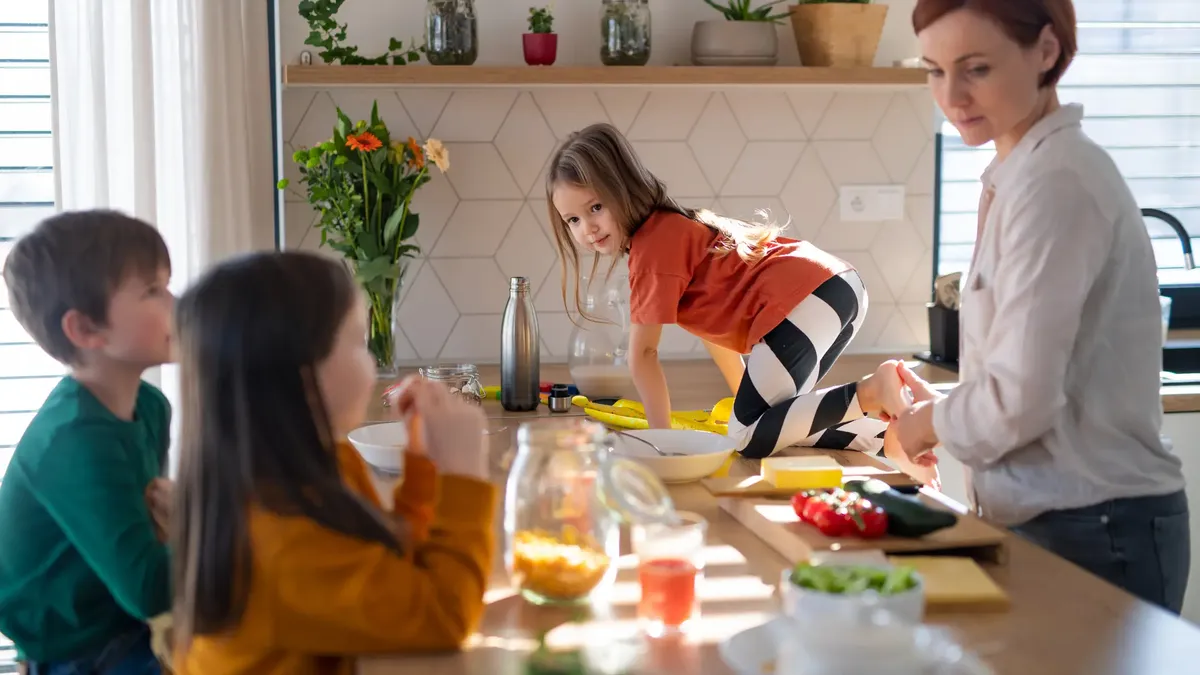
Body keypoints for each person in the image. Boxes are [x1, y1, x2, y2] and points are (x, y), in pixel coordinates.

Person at [890, 0, 1190, 613]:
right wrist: (944, 408)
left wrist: (925, 425)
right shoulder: (1018, 173)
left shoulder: (1057, 183)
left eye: (975, 68)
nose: (952, 96)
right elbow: (1027, 384)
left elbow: (1019, 402)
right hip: (1063, 517)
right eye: (935, 70)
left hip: (1098, 526)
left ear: (1046, 52)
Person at [170, 251, 495, 675]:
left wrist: (423, 464)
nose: (374, 361)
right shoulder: (281, 544)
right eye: (359, 342)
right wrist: (464, 475)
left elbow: (393, 561)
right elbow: (444, 616)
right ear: (301, 374)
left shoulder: (322, 465)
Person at [544, 123, 924, 474]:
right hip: (833, 289)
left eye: (595, 207)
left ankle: (874, 389)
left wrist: (661, 445)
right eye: (572, 220)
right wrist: (745, 399)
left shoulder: (652, 248)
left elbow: (642, 355)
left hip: (807, 298)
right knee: (778, 421)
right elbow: (713, 333)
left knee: (745, 435)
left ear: (623, 189)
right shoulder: (668, 230)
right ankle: (887, 435)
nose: (587, 228)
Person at [0, 211, 175, 674]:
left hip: (121, 620)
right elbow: (151, 586)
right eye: (153, 291)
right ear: (86, 330)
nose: (177, 303)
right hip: (76, 649)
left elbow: (151, 531)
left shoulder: (152, 407)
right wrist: (236, 527)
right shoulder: (74, 443)